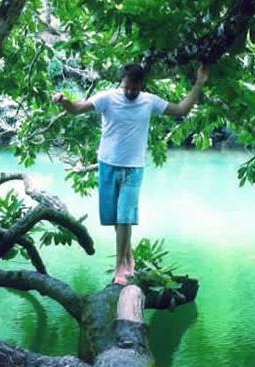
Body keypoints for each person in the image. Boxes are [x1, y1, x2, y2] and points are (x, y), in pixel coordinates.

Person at [53, 63, 209, 285]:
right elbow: (78, 108)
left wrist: (199, 83)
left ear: (141, 85)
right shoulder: (108, 98)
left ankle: (120, 269)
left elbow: (181, 110)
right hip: (107, 164)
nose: (129, 91)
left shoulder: (149, 101)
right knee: (115, 218)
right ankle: (128, 256)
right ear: (122, 82)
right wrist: (64, 101)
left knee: (125, 216)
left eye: (134, 88)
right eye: (126, 87)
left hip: (133, 168)